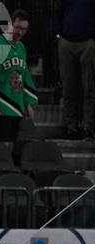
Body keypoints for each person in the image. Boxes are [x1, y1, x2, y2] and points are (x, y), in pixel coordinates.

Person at [0, 10, 36, 152]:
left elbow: (24, 74)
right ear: (10, 24)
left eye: (24, 29)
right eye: (18, 27)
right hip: (0, 103)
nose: (21, 32)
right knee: (3, 145)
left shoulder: (21, 47)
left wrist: (27, 101)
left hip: (15, 103)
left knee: (11, 144)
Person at [54, 0, 95, 140]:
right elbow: (57, 11)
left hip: (88, 42)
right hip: (67, 40)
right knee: (68, 86)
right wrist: (58, 34)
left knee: (89, 87)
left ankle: (88, 127)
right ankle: (71, 126)